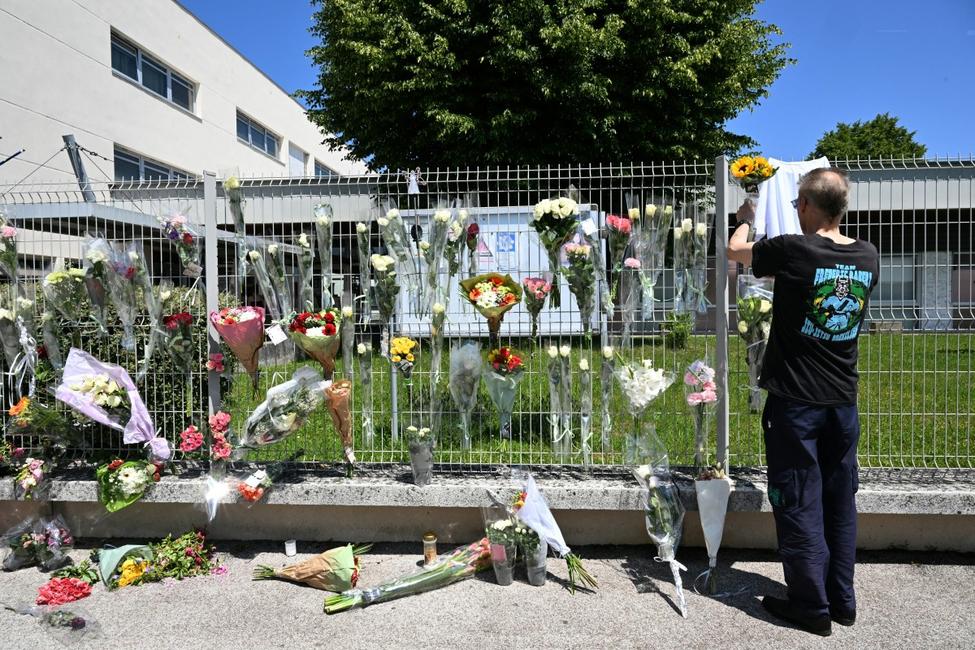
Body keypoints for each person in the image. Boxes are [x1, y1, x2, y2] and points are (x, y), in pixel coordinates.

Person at [727, 167, 879, 636]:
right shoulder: (868, 256)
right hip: (843, 401)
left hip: (796, 403)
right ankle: (842, 600)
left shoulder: (795, 250)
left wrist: (746, 214)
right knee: (839, 501)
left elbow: (735, 251)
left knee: (798, 500)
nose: (795, 209)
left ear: (809, 207)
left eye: (797, 203)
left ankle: (810, 606)